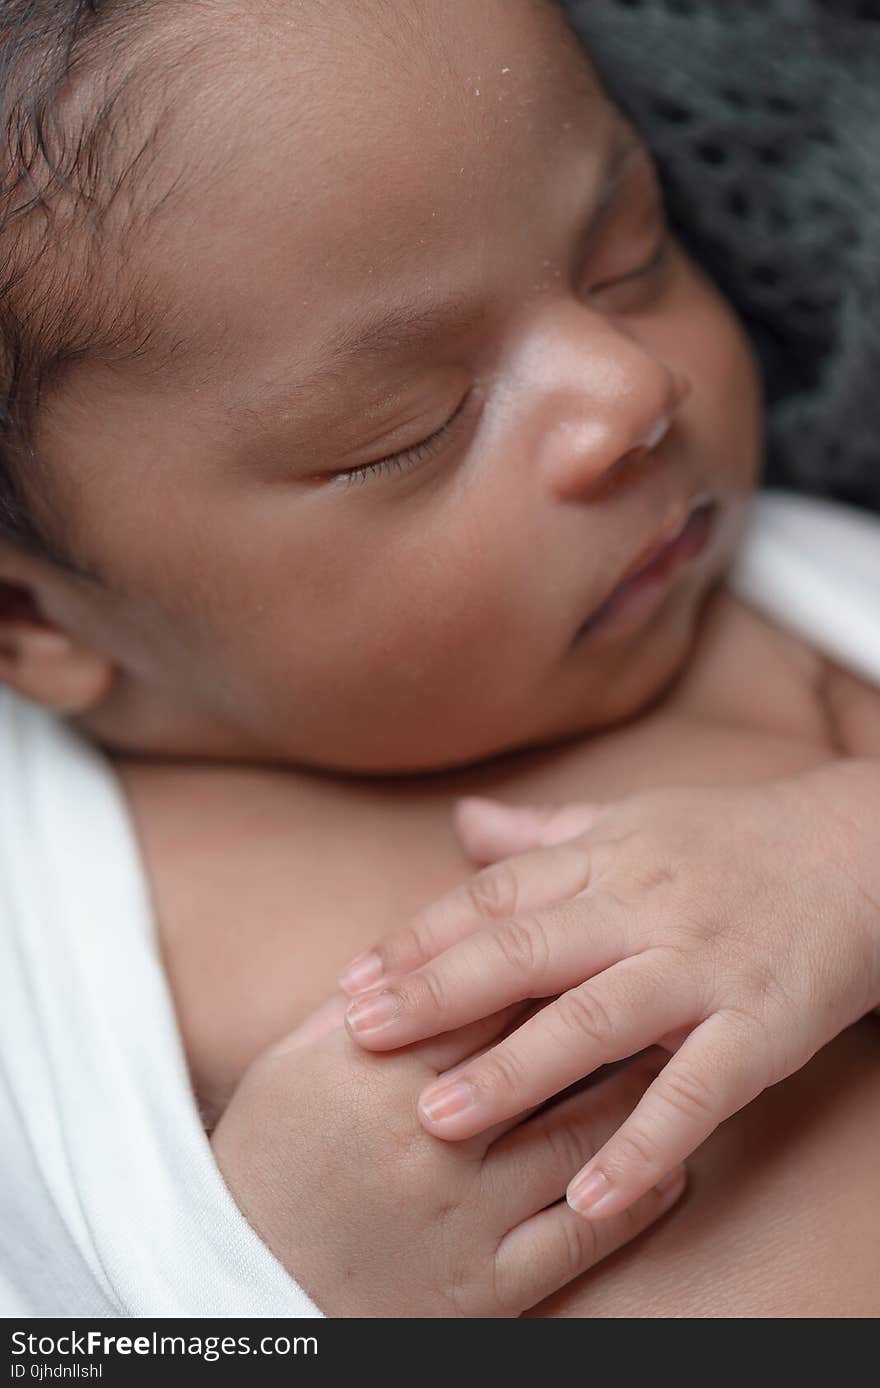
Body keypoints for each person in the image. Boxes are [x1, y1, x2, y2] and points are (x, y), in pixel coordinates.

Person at [0, 0, 877, 1316]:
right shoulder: (39, 964)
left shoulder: (790, 607)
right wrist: (270, 1294)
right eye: (408, 425)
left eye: (628, 254)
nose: (631, 390)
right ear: (39, 623)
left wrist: (844, 859)